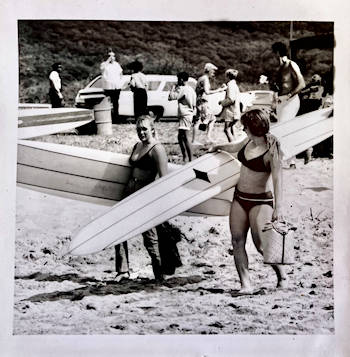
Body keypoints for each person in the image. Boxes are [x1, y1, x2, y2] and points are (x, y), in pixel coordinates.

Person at [209, 108, 287, 294]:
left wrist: (278, 208)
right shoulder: (248, 141)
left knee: (261, 245)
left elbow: (278, 180)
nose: (243, 129)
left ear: (254, 127)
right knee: (237, 241)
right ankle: (246, 284)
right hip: (240, 198)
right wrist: (217, 147)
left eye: (245, 126)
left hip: (260, 201)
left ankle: (282, 275)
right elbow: (234, 147)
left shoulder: (272, 149)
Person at [114, 115, 182, 282]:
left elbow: (164, 178)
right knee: (118, 230)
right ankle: (122, 270)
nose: (141, 132)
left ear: (152, 129)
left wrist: (153, 202)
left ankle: (159, 274)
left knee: (150, 237)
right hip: (129, 193)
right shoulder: (137, 145)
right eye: (138, 129)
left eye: (144, 129)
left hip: (145, 196)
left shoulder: (157, 149)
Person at [272, 42, 305, 168]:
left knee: (283, 129)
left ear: (278, 53)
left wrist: (289, 95)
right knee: (282, 129)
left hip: (290, 101)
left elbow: (302, 84)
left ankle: (289, 160)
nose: (273, 57)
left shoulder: (291, 64)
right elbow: (280, 87)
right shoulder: (279, 68)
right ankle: (289, 160)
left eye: (274, 54)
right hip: (282, 102)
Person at [192, 62, 226, 145]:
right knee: (209, 119)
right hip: (203, 102)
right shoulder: (205, 79)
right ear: (209, 70)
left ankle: (201, 138)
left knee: (203, 120)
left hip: (199, 101)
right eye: (213, 71)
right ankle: (204, 138)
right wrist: (220, 90)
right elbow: (207, 92)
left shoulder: (201, 78)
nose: (214, 73)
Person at [168, 71, 197, 162]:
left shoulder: (182, 89)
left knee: (185, 137)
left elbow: (171, 97)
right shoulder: (191, 89)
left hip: (185, 114)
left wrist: (173, 88)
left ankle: (189, 158)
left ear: (180, 79)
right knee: (181, 137)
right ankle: (186, 157)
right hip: (189, 114)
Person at [299, 74, 325, 164]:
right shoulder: (309, 89)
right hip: (308, 114)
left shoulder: (320, 88)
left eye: (315, 79)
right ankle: (307, 155)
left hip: (314, 113)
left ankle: (312, 154)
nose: (314, 80)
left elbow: (318, 97)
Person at [219, 69, 242, 142]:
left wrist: (222, 102)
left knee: (227, 130)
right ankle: (235, 144)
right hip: (235, 111)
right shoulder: (234, 85)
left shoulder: (230, 85)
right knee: (231, 129)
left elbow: (231, 99)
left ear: (227, 76)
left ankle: (233, 145)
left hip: (231, 111)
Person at [100, 49, 123, 122]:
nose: (112, 58)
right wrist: (107, 61)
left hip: (116, 86)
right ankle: (107, 118)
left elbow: (120, 73)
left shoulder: (117, 64)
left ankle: (116, 118)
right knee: (107, 103)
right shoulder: (104, 64)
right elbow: (102, 69)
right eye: (110, 56)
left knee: (116, 103)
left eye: (113, 56)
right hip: (108, 87)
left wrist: (119, 81)